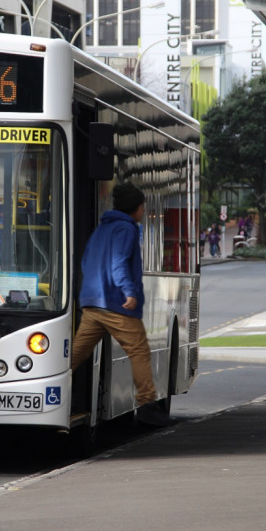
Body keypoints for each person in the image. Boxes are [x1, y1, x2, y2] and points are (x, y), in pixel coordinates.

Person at [71, 181, 167, 426]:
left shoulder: (101, 228)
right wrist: (129, 291)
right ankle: (147, 405)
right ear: (134, 207)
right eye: (143, 207)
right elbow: (118, 262)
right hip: (115, 304)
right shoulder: (127, 229)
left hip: (92, 303)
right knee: (139, 351)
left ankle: (50, 383)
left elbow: (86, 262)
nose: (144, 211)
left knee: (75, 354)